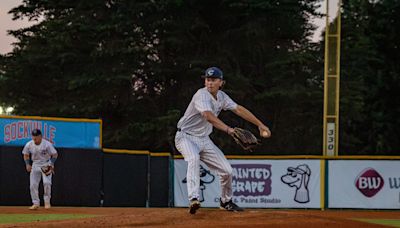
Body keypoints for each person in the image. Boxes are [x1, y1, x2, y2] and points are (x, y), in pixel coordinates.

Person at [175, 66, 271, 214]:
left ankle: (226, 201)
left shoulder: (222, 97)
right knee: (193, 158)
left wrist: (260, 124)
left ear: (221, 82)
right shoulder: (201, 95)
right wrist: (229, 129)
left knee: (227, 171)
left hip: (204, 139)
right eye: (207, 79)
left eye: (213, 80)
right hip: (186, 137)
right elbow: (208, 116)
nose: (209, 83)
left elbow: (238, 109)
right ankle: (194, 198)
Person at [22, 129, 58, 210]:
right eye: (33, 136)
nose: (35, 138)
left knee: (47, 183)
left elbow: (55, 154)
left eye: (37, 136)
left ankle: (47, 202)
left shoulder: (47, 144)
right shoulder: (29, 144)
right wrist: (27, 164)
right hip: (35, 164)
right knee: (33, 185)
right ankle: (35, 203)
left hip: (46, 164)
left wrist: (52, 163)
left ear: (40, 136)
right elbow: (26, 154)